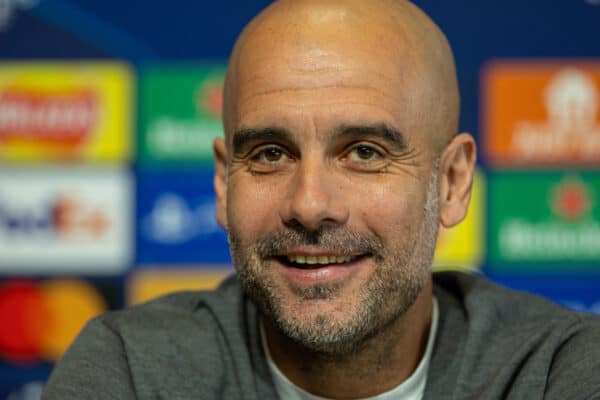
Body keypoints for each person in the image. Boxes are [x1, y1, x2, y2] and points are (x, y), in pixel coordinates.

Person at [43, 0, 600, 399]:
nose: (310, 205)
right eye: (269, 154)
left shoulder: (557, 370)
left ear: (452, 182)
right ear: (223, 182)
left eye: (363, 152)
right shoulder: (132, 372)